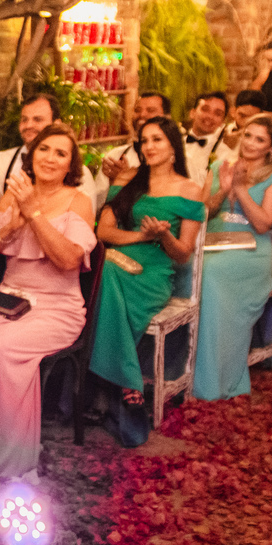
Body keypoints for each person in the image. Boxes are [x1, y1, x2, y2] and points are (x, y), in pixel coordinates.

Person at [0, 124, 97, 478]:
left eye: (61, 153)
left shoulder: (78, 201)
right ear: (32, 154)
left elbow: (68, 260)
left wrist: (34, 213)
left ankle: (8, 458)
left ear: (71, 164)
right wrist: (10, 227)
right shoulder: (12, 196)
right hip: (6, 299)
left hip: (56, 307)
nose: (50, 158)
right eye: (44, 149)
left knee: (0, 347)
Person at [88, 117, 204, 446]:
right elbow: (103, 231)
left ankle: (95, 385)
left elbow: (183, 254)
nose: (149, 146)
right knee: (105, 272)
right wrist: (142, 234)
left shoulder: (190, 190)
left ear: (173, 146)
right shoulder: (128, 179)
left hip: (154, 272)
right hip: (118, 259)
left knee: (103, 278)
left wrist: (164, 236)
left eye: (157, 140)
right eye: (145, 140)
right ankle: (128, 383)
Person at [194, 114, 272, 401]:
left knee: (209, 274)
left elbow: (263, 223)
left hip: (250, 251)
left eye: (259, 140)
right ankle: (179, 368)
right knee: (187, 267)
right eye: (248, 135)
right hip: (212, 242)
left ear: (271, 147)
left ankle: (212, 377)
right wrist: (223, 190)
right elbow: (201, 213)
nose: (250, 143)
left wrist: (239, 188)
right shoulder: (218, 166)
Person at [0, 93, 100, 226]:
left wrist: (32, 216)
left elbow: (84, 224)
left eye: (37, 120)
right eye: (24, 120)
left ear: (56, 124)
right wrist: (6, 218)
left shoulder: (80, 172)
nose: (29, 125)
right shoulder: (3, 160)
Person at [92, 91, 171, 206]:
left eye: (150, 110)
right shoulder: (115, 156)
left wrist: (127, 181)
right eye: (137, 110)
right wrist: (113, 183)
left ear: (167, 118)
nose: (142, 115)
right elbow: (97, 205)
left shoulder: (179, 158)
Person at [183, 91, 235, 188]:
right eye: (205, 109)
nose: (210, 116)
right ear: (192, 113)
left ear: (222, 122)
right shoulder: (172, 144)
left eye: (218, 114)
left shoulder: (226, 156)